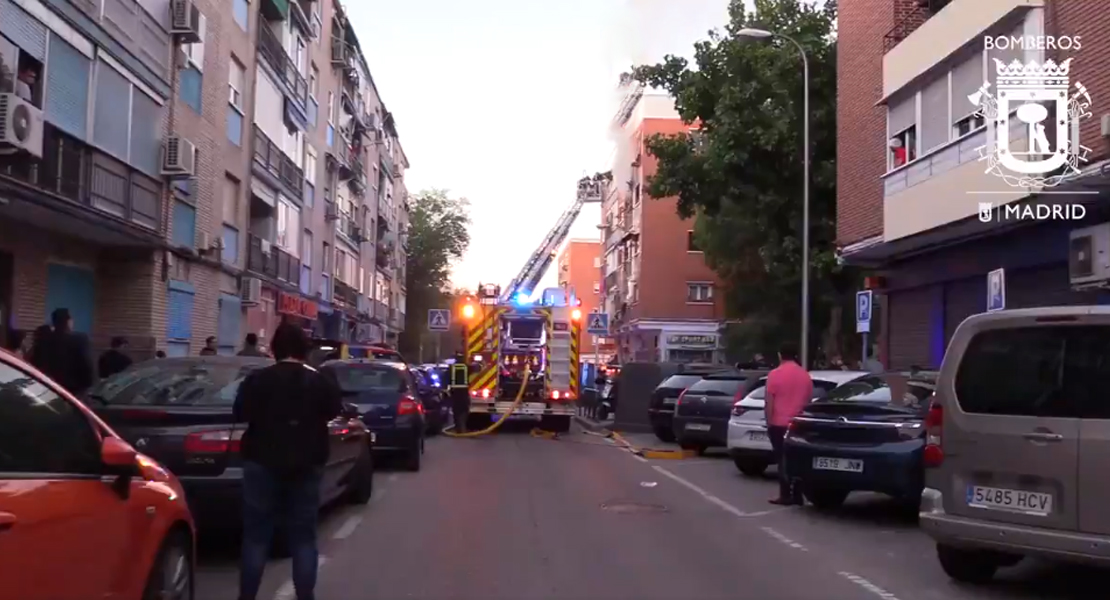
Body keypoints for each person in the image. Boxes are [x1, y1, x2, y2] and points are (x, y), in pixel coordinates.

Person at [233, 322, 342, 600]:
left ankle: (247, 597)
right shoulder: (319, 380)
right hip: (307, 463)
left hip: (261, 461)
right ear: (304, 349)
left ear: (274, 348)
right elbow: (334, 410)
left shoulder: (258, 379)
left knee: (256, 537)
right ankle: (305, 596)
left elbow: (240, 412)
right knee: (304, 537)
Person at [764, 341, 812, 506]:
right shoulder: (805, 375)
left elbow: (770, 401)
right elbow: (808, 401)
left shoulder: (775, 374)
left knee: (782, 460)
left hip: (779, 423)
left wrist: (769, 422)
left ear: (780, 355)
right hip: (799, 424)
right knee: (797, 459)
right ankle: (798, 494)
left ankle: (785, 494)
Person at [31, 309, 93, 396]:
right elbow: (86, 364)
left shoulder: (44, 341)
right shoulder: (80, 339)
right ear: (68, 322)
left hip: (49, 388)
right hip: (73, 390)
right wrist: (88, 385)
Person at [449, 352, 470, 433]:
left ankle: (458, 428)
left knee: (456, 411)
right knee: (464, 409)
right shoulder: (466, 367)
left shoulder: (451, 367)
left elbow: (446, 378)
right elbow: (477, 368)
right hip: (463, 392)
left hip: (455, 392)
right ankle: (462, 427)